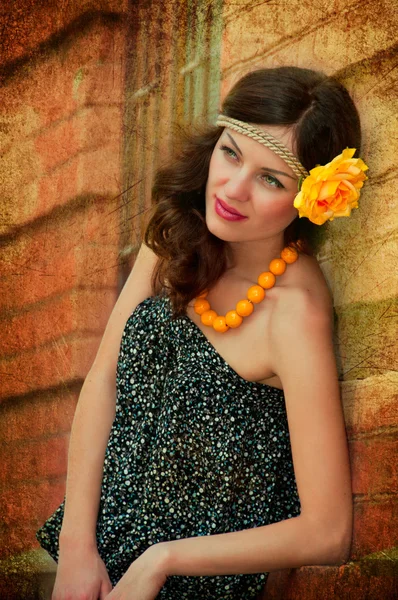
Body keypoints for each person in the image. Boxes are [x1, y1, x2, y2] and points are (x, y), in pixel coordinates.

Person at [36, 66, 368, 600]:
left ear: (312, 199)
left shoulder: (294, 313)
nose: (233, 189)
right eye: (231, 152)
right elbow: (103, 381)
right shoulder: (178, 235)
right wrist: (77, 550)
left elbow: (328, 531)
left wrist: (160, 562)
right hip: (92, 567)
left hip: (190, 584)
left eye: (271, 179)